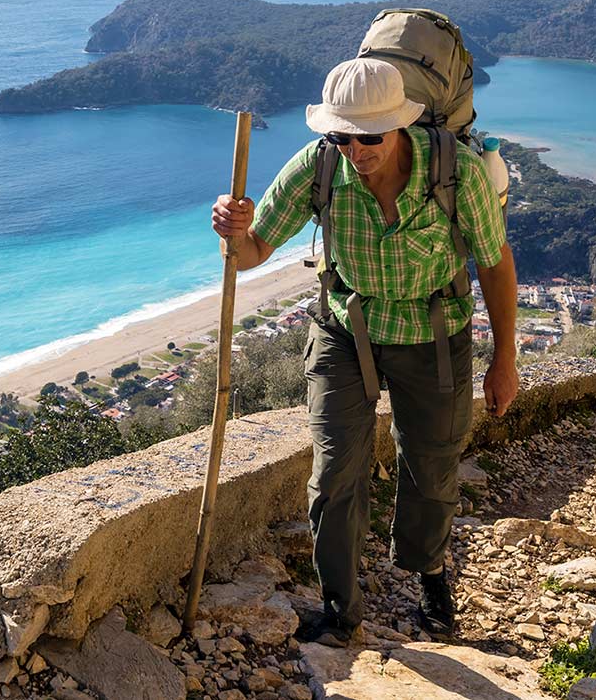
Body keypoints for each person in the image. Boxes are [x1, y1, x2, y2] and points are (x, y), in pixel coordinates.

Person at [211, 57, 518, 646]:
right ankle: (340, 609)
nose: (355, 149)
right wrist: (230, 225)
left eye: (369, 136)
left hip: (431, 335)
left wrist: (504, 359)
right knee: (332, 475)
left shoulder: (456, 173)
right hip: (343, 331)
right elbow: (252, 253)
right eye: (341, 135)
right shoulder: (319, 166)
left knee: (430, 468)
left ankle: (429, 571)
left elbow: (494, 261)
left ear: (399, 126)